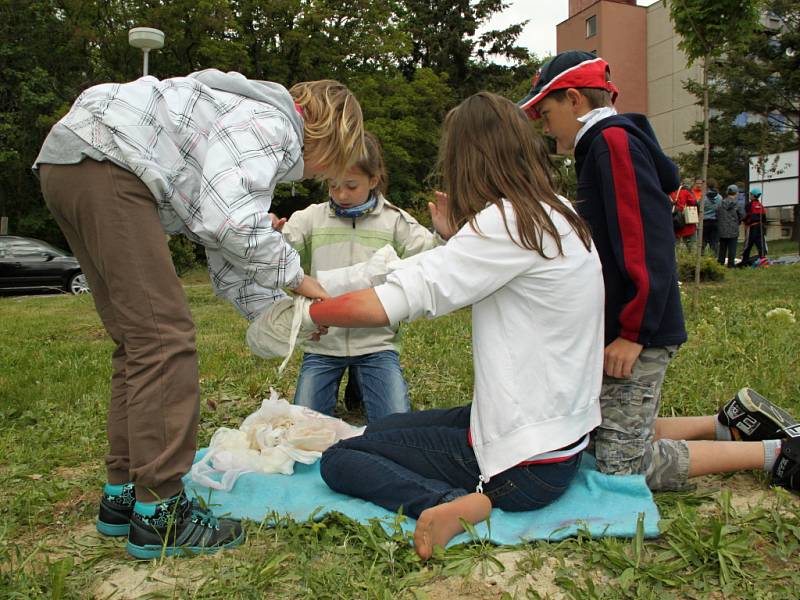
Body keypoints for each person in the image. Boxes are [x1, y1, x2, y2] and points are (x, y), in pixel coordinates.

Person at [33, 70, 365, 558]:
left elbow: (223, 246)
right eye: (326, 166)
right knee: (163, 341)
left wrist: (279, 315)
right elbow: (233, 222)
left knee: (138, 342)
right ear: (328, 132)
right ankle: (162, 515)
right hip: (107, 160)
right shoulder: (271, 125)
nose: (316, 176)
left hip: (72, 161)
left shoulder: (235, 118)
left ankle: (123, 496)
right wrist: (298, 279)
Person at [309, 92, 605, 560]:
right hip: (559, 439)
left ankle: (456, 505)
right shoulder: (555, 212)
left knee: (341, 458)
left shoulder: (505, 222)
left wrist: (306, 314)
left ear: (467, 158)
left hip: (522, 468)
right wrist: (455, 239)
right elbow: (488, 279)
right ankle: (469, 493)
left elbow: (400, 298)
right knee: (381, 430)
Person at [518, 50, 799, 494]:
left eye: (545, 111)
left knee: (620, 467)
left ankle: (779, 454)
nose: (543, 124)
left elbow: (646, 242)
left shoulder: (613, 144)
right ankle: (729, 424)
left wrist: (634, 331)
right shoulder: (603, 146)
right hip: (624, 328)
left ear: (573, 100)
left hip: (639, 331)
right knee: (598, 439)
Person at [276, 131, 442, 422]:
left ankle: (359, 385)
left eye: (351, 186)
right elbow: (279, 250)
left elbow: (430, 255)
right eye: (333, 184)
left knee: (395, 427)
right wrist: (269, 231)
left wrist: (444, 235)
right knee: (301, 428)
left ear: (374, 180)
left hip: (376, 344)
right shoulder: (312, 218)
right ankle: (354, 387)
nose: (341, 194)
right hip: (322, 344)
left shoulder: (394, 220)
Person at [717, 184, 744, 267]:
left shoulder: (721, 203)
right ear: (736, 193)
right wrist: (738, 221)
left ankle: (720, 263)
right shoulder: (737, 204)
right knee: (732, 248)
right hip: (733, 229)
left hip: (722, 228)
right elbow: (742, 215)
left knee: (722, 247)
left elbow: (717, 213)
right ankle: (731, 264)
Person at [740, 188, 768, 266]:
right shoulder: (761, 206)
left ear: (753, 195)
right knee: (761, 244)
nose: (750, 196)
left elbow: (746, 216)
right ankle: (763, 259)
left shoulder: (749, 205)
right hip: (760, 228)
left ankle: (744, 262)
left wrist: (744, 221)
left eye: (750, 194)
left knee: (748, 245)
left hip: (752, 228)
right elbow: (764, 218)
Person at [671, 181, 698, 250]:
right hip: (687, 222)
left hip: (675, 222)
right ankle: (692, 259)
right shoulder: (685, 192)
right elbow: (694, 202)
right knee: (691, 245)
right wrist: (691, 192)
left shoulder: (670, 194)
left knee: (675, 245)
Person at [701, 178, 722, 255]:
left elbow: (699, 206)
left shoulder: (704, 197)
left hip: (705, 222)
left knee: (703, 242)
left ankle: (701, 258)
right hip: (715, 221)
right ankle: (714, 259)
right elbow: (720, 209)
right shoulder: (720, 197)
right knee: (714, 243)